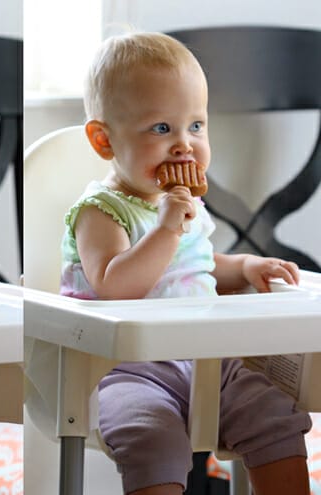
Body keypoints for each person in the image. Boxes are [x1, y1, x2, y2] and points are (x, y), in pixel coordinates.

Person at [60, 32, 312, 494]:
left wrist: (244, 267)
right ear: (103, 139)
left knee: (274, 411)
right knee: (150, 436)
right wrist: (167, 228)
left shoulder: (179, 206)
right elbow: (116, 285)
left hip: (206, 358)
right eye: (161, 129)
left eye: (196, 126)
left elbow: (194, 265)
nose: (185, 146)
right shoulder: (101, 211)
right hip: (124, 369)